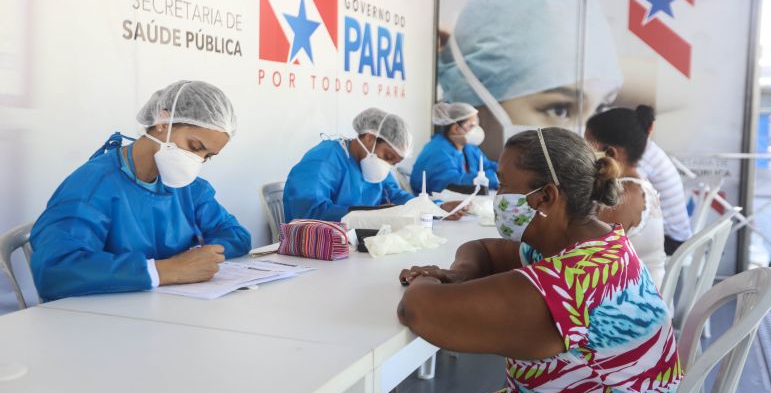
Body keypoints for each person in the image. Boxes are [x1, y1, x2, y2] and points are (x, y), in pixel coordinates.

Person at [389, 128, 702, 393]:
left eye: (505, 185)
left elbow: (417, 309)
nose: (499, 196)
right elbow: (484, 248)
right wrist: (459, 274)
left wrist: (423, 278)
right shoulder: (596, 244)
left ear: (546, 197)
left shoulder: (562, 285)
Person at [30, 80, 252, 301]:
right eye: (194, 147)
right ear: (163, 121)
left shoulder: (189, 188)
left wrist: (198, 257)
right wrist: (166, 270)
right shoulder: (94, 186)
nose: (197, 160)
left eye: (207, 156)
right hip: (99, 322)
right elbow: (55, 270)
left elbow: (236, 235)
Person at [438, 0, 623, 158]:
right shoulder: (444, 155)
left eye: (601, 109)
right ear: (472, 98)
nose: (587, 145)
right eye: (560, 110)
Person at [283, 108, 465, 222]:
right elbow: (309, 213)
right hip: (313, 253)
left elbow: (396, 196)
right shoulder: (325, 159)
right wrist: (372, 213)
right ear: (369, 138)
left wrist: (435, 207)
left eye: (394, 162)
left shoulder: (374, 165)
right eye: (387, 156)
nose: (388, 166)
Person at [585, 106, 667, 288]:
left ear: (611, 153)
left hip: (633, 305)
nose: (583, 157)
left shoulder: (623, 197)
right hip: (642, 292)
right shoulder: (638, 184)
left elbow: (588, 257)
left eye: (587, 148)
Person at [635, 105, 693, 254]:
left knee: (615, 246)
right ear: (651, 127)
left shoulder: (642, 155)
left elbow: (629, 193)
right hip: (677, 235)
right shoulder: (649, 149)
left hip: (671, 241)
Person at [410, 102, 498, 194]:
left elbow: (487, 166)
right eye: (471, 126)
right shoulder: (438, 151)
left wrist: (504, 173)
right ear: (455, 129)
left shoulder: (468, 148)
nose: (476, 130)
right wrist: (492, 178)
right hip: (436, 204)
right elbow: (452, 184)